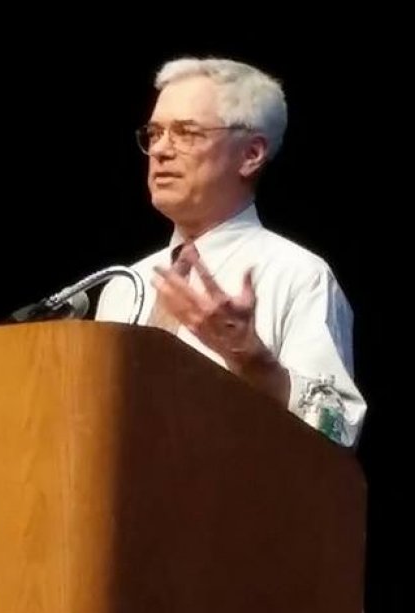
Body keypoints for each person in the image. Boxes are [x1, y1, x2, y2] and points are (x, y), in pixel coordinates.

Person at [94, 56, 367, 448]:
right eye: (154, 133)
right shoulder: (125, 284)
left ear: (251, 154)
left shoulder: (296, 274)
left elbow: (339, 434)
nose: (161, 150)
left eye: (186, 133)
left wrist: (255, 362)